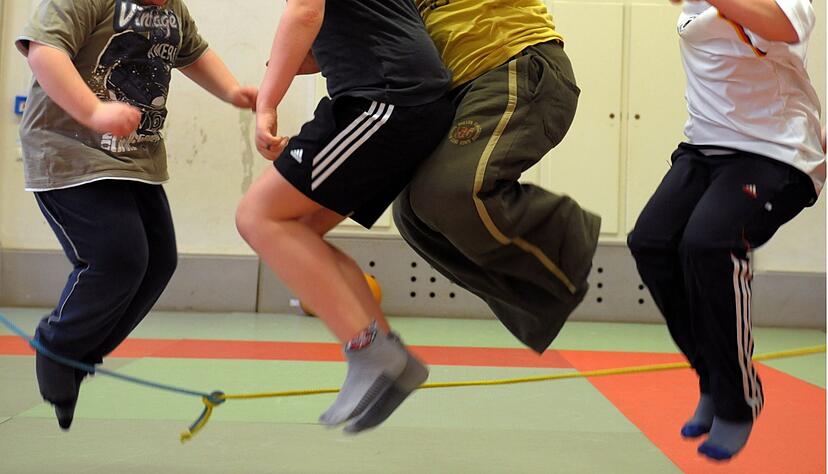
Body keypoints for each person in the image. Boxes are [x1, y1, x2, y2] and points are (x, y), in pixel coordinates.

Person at [16, 0, 257, 430]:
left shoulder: (171, 9)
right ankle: (57, 345)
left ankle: (80, 352)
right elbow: (43, 50)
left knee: (158, 263)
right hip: (69, 153)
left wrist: (233, 91)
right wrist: (94, 112)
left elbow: (193, 52)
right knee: (116, 259)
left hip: (135, 158)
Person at [234, 0, 453, 433]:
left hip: (385, 99)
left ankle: (369, 351)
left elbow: (304, 12)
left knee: (258, 216)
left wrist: (267, 103)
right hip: (404, 96)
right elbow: (352, 25)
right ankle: (389, 358)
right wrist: (298, 56)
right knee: (300, 229)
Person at [627, 0, 823, 461]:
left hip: (776, 152)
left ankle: (738, 402)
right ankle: (712, 380)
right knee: (651, 243)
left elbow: (786, 27)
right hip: (705, 147)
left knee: (709, 244)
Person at [392, 0, 602, 355]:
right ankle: (543, 297)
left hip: (516, 62)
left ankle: (569, 235)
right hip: (458, 90)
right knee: (413, 212)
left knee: (452, 192)